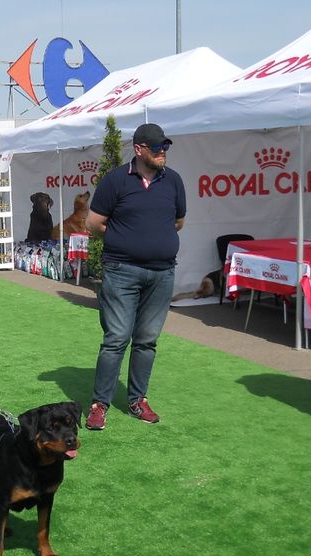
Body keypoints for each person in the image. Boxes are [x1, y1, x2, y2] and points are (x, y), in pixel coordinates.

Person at [84, 123, 186, 431]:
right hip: (121, 271)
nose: (162, 153)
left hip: (162, 273)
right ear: (139, 149)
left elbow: (178, 222)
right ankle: (99, 404)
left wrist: (152, 242)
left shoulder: (174, 182)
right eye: (157, 148)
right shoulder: (115, 180)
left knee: (147, 340)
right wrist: (124, 240)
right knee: (116, 338)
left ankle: (137, 399)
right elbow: (94, 224)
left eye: (165, 148)